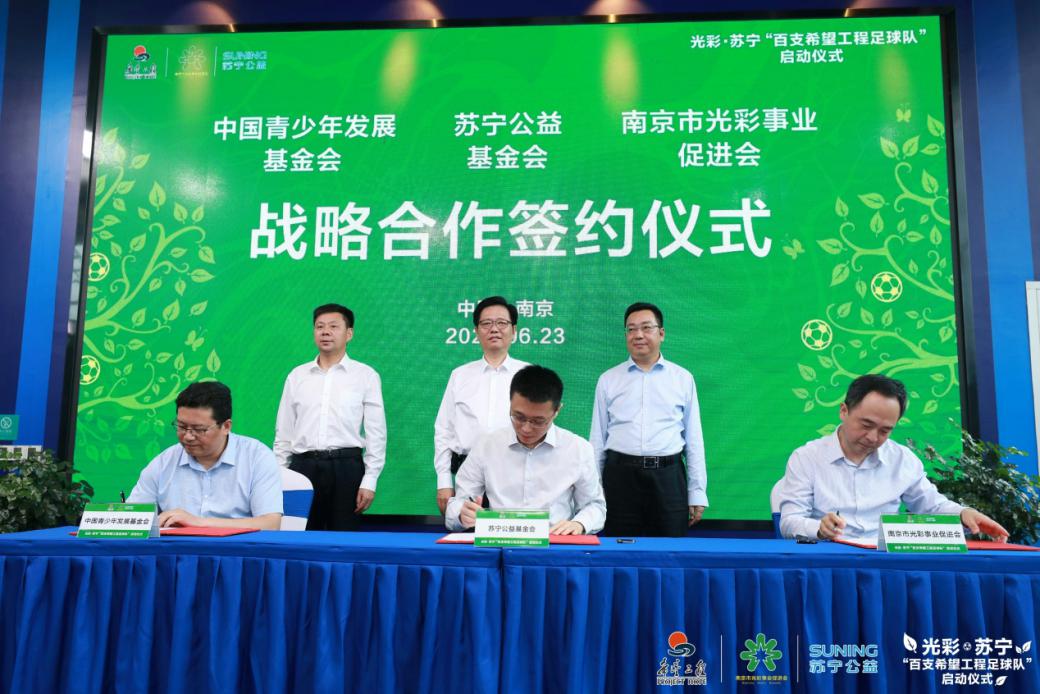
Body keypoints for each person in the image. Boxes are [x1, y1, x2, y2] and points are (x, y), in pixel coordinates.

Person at [779, 373, 1008, 543]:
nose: (872, 437)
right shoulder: (806, 458)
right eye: (866, 425)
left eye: (885, 430)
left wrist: (963, 513)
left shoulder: (903, 460)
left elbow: (932, 506)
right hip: (828, 559)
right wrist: (820, 528)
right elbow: (789, 522)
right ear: (844, 411)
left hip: (885, 562)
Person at [590, 302, 707, 536]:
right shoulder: (608, 379)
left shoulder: (682, 378)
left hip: (668, 478)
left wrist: (697, 492)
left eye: (646, 327)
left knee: (669, 550)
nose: (638, 335)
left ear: (661, 333)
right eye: (631, 329)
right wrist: (592, 491)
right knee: (619, 549)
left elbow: (694, 440)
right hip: (620, 479)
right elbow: (597, 440)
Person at [445, 365, 606, 535]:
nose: (526, 428)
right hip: (500, 540)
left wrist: (579, 523)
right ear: (510, 404)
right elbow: (456, 504)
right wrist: (462, 514)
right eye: (519, 417)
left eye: (538, 421)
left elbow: (595, 506)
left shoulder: (577, 449)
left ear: (557, 411)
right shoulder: (487, 446)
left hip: (554, 541)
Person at [274, 303, 386, 530]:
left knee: (344, 539)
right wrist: (279, 475)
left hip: (346, 468)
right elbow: (284, 432)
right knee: (301, 537)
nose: (325, 332)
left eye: (334, 326)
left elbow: (376, 434)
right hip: (303, 467)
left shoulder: (365, 376)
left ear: (349, 333)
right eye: (320, 327)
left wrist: (370, 480)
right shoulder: (297, 376)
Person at [128, 381, 283, 529]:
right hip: (179, 547)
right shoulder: (163, 463)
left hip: (236, 547)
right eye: (181, 426)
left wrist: (199, 523)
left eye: (199, 429)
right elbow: (130, 521)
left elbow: (270, 524)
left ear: (226, 426)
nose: (188, 436)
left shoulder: (257, 457)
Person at [433, 296, 529, 513]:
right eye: (486, 323)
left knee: (514, 530)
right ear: (476, 332)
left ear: (514, 331)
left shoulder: (528, 374)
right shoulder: (460, 375)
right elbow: (444, 430)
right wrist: (443, 481)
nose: (494, 329)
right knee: (469, 528)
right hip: (469, 472)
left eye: (502, 323)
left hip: (516, 471)